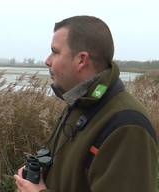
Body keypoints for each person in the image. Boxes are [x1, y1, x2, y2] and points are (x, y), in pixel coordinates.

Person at [14, 15, 158, 192]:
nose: (47, 60)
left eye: (55, 51)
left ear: (81, 60)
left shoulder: (127, 127)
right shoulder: (82, 103)